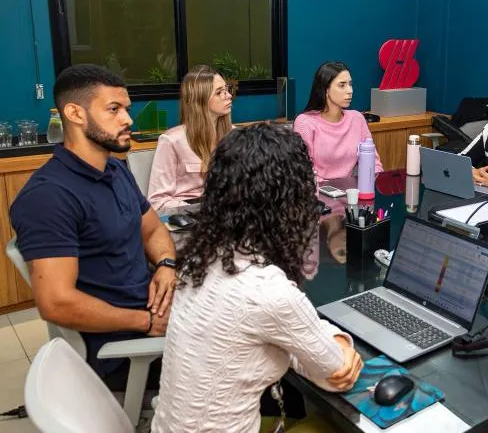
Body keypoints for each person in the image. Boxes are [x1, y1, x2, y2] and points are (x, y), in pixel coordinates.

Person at [152, 124, 363, 432]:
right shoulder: (267, 292)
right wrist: (340, 343)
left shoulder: (199, 259)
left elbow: (281, 337)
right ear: (291, 205)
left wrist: (313, 344)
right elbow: (334, 374)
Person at [9, 64, 176, 387]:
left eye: (126, 109)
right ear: (75, 113)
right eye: (114, 109)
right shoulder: (48, 197)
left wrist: (166, 265)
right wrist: (147, 322)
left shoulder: (116, 171)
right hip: (123, 350)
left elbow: (154, 230)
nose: (128, 120)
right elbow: (57, 303)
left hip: (151, 312)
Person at [147, 65, 234, 211]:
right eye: (219, 92)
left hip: (229, 213)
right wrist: (198, 209)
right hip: (189, 214)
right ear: (200, 100)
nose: (229, 95)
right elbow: (157, 202)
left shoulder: (235, 135)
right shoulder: (171, 141)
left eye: (227, 89)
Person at [294, 61, 383, 180]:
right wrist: (330, 188)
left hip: (351, 189)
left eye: (350, 84)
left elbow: (375, 164)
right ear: (325, 89)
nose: (350, 90)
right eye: (342, 85)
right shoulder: (305, 123)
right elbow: (303, 172)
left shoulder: (357, 119)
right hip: (317, 189)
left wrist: (370, 183)